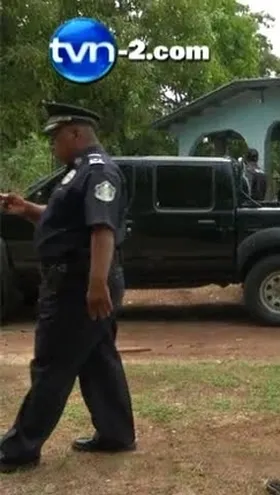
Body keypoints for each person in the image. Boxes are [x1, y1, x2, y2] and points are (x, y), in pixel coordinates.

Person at [0, 102, 136, 474]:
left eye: (56, 138)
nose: (52, 146)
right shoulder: (76, 173)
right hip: (79, 278)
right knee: (98, 359)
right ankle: (116, 433)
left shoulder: (99, 172)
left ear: (76, 134)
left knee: (52, 363)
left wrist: (95, 284)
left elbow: (102, 229)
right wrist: (26, 208)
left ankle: (20, 447)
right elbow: (65, 221)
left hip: (78, 283)